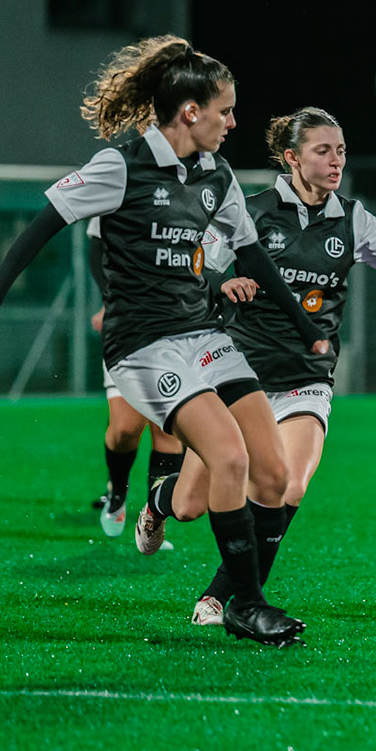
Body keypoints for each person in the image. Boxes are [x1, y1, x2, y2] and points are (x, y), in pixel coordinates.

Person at [0, 36, 331, 648]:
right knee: (229, 459)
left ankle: (169, 512)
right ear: (190, 111)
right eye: (226, 110)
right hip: (144, 348)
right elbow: (41, 225)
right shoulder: (120, 166)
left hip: (203, 336)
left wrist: (303, 323)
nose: (233, 122)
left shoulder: (216, 174)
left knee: (270, 473)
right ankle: (244, 604)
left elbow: (251, 254)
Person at [166, 106, 376, 626]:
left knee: (288, 485)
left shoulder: (352, 218)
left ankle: (226, 597)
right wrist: (222, 283)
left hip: (305, 381)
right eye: (323, 150)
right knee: (189, 505)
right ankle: (158, 501)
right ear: (292, 157)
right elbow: (193, 270)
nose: (336, 160)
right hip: (237, 375)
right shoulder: (250, 211)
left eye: (340, 150)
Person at [86, 216, 243, 541]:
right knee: (125, 429)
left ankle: (153, 516)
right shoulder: (124, 187)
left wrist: (224, 285)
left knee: (167, 432)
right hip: (132, 332)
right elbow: (97, 248)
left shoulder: (204, 196)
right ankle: (117, 493)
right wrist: (111, 302)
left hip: (183, 334)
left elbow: (213, 264)